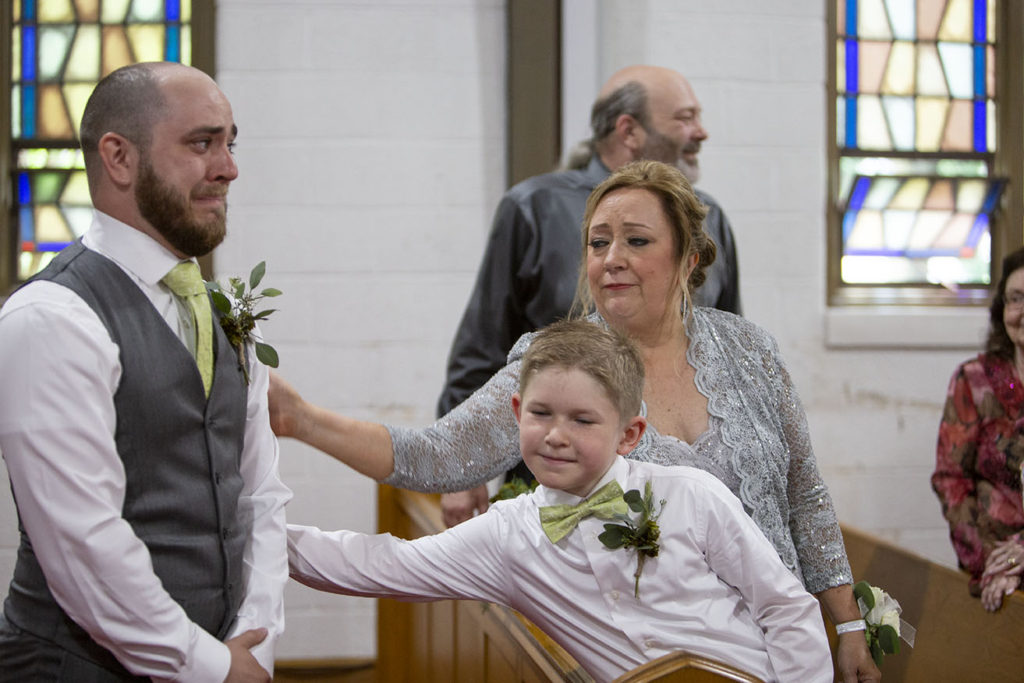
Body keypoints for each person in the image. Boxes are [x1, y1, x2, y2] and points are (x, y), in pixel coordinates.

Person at [270, 160, 880, 682]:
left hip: (786, 647)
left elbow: (805, 493)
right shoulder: (563, 367)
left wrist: (846, 621)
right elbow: (436, 456)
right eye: (597, 242)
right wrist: (301, 419)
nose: (612, 259)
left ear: (688, 256)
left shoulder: (749, 349)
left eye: (636, 241)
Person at [288, 320, 833, 682]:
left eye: (582, 420)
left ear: (629, 434)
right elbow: (383, 564)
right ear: (518, 411)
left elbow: (784, 607)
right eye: (542, 413)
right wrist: (257, 530)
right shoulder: (507, 538)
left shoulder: (691, 495)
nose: (555, 435)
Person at [0, 62, 290, 682]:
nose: (228, 167)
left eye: (229, 143)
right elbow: (84, 544)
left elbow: (259, 496)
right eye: (201, 143)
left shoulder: (224, 311)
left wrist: (256, 639)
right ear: (119, 158)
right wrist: (213, 667)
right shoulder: (52, 317)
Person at [439, 64, 742, 525]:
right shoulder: (534, 208)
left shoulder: (708, 216)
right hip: (563, 489)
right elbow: (481, 346)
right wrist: (461, 469)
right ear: (629, 130)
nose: (700, 131)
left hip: (692, 504)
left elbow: (729, 356)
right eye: (684, 117)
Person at [933, 246, 1024, 612]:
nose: (1023, 310)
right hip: (989, 573)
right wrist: (993, 562)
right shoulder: (974, 380)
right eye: (1015, 298)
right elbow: (951, 480)